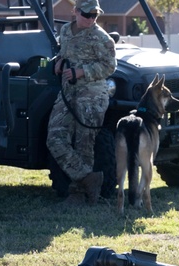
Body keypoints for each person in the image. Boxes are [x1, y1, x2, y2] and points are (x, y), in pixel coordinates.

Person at [46, 0, 116, 203]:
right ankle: (88, 178)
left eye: (95, 15)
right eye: (87, 14)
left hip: (92, 95)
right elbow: (64, 53)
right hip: (68, 93)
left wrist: (82, 72)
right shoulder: (66, 31)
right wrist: (59, 62)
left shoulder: (102, 38)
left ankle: (80, 195)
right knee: (55, 137)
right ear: (75, 11)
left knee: (84, 143)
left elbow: (110, 66)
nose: (91, 19)